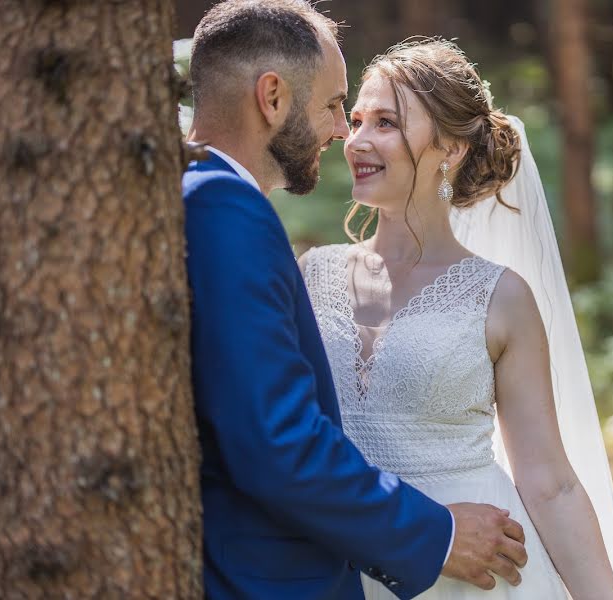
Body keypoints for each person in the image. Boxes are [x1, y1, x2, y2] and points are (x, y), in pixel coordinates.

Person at [182, 2, 529, 599]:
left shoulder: (201, 198)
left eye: (378, 120)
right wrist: (437, 535)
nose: (345, 131)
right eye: (336, 105)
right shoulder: (228, 211)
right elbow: (274, 440)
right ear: (272, 98)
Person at [300, 39, 613, 599]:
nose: (356, 140)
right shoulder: (310, 276)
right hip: (335, 562)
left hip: (472, 573)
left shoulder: (501, 298)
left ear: (451, 147)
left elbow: (550, 483)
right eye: (357, 119)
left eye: (386, 122)